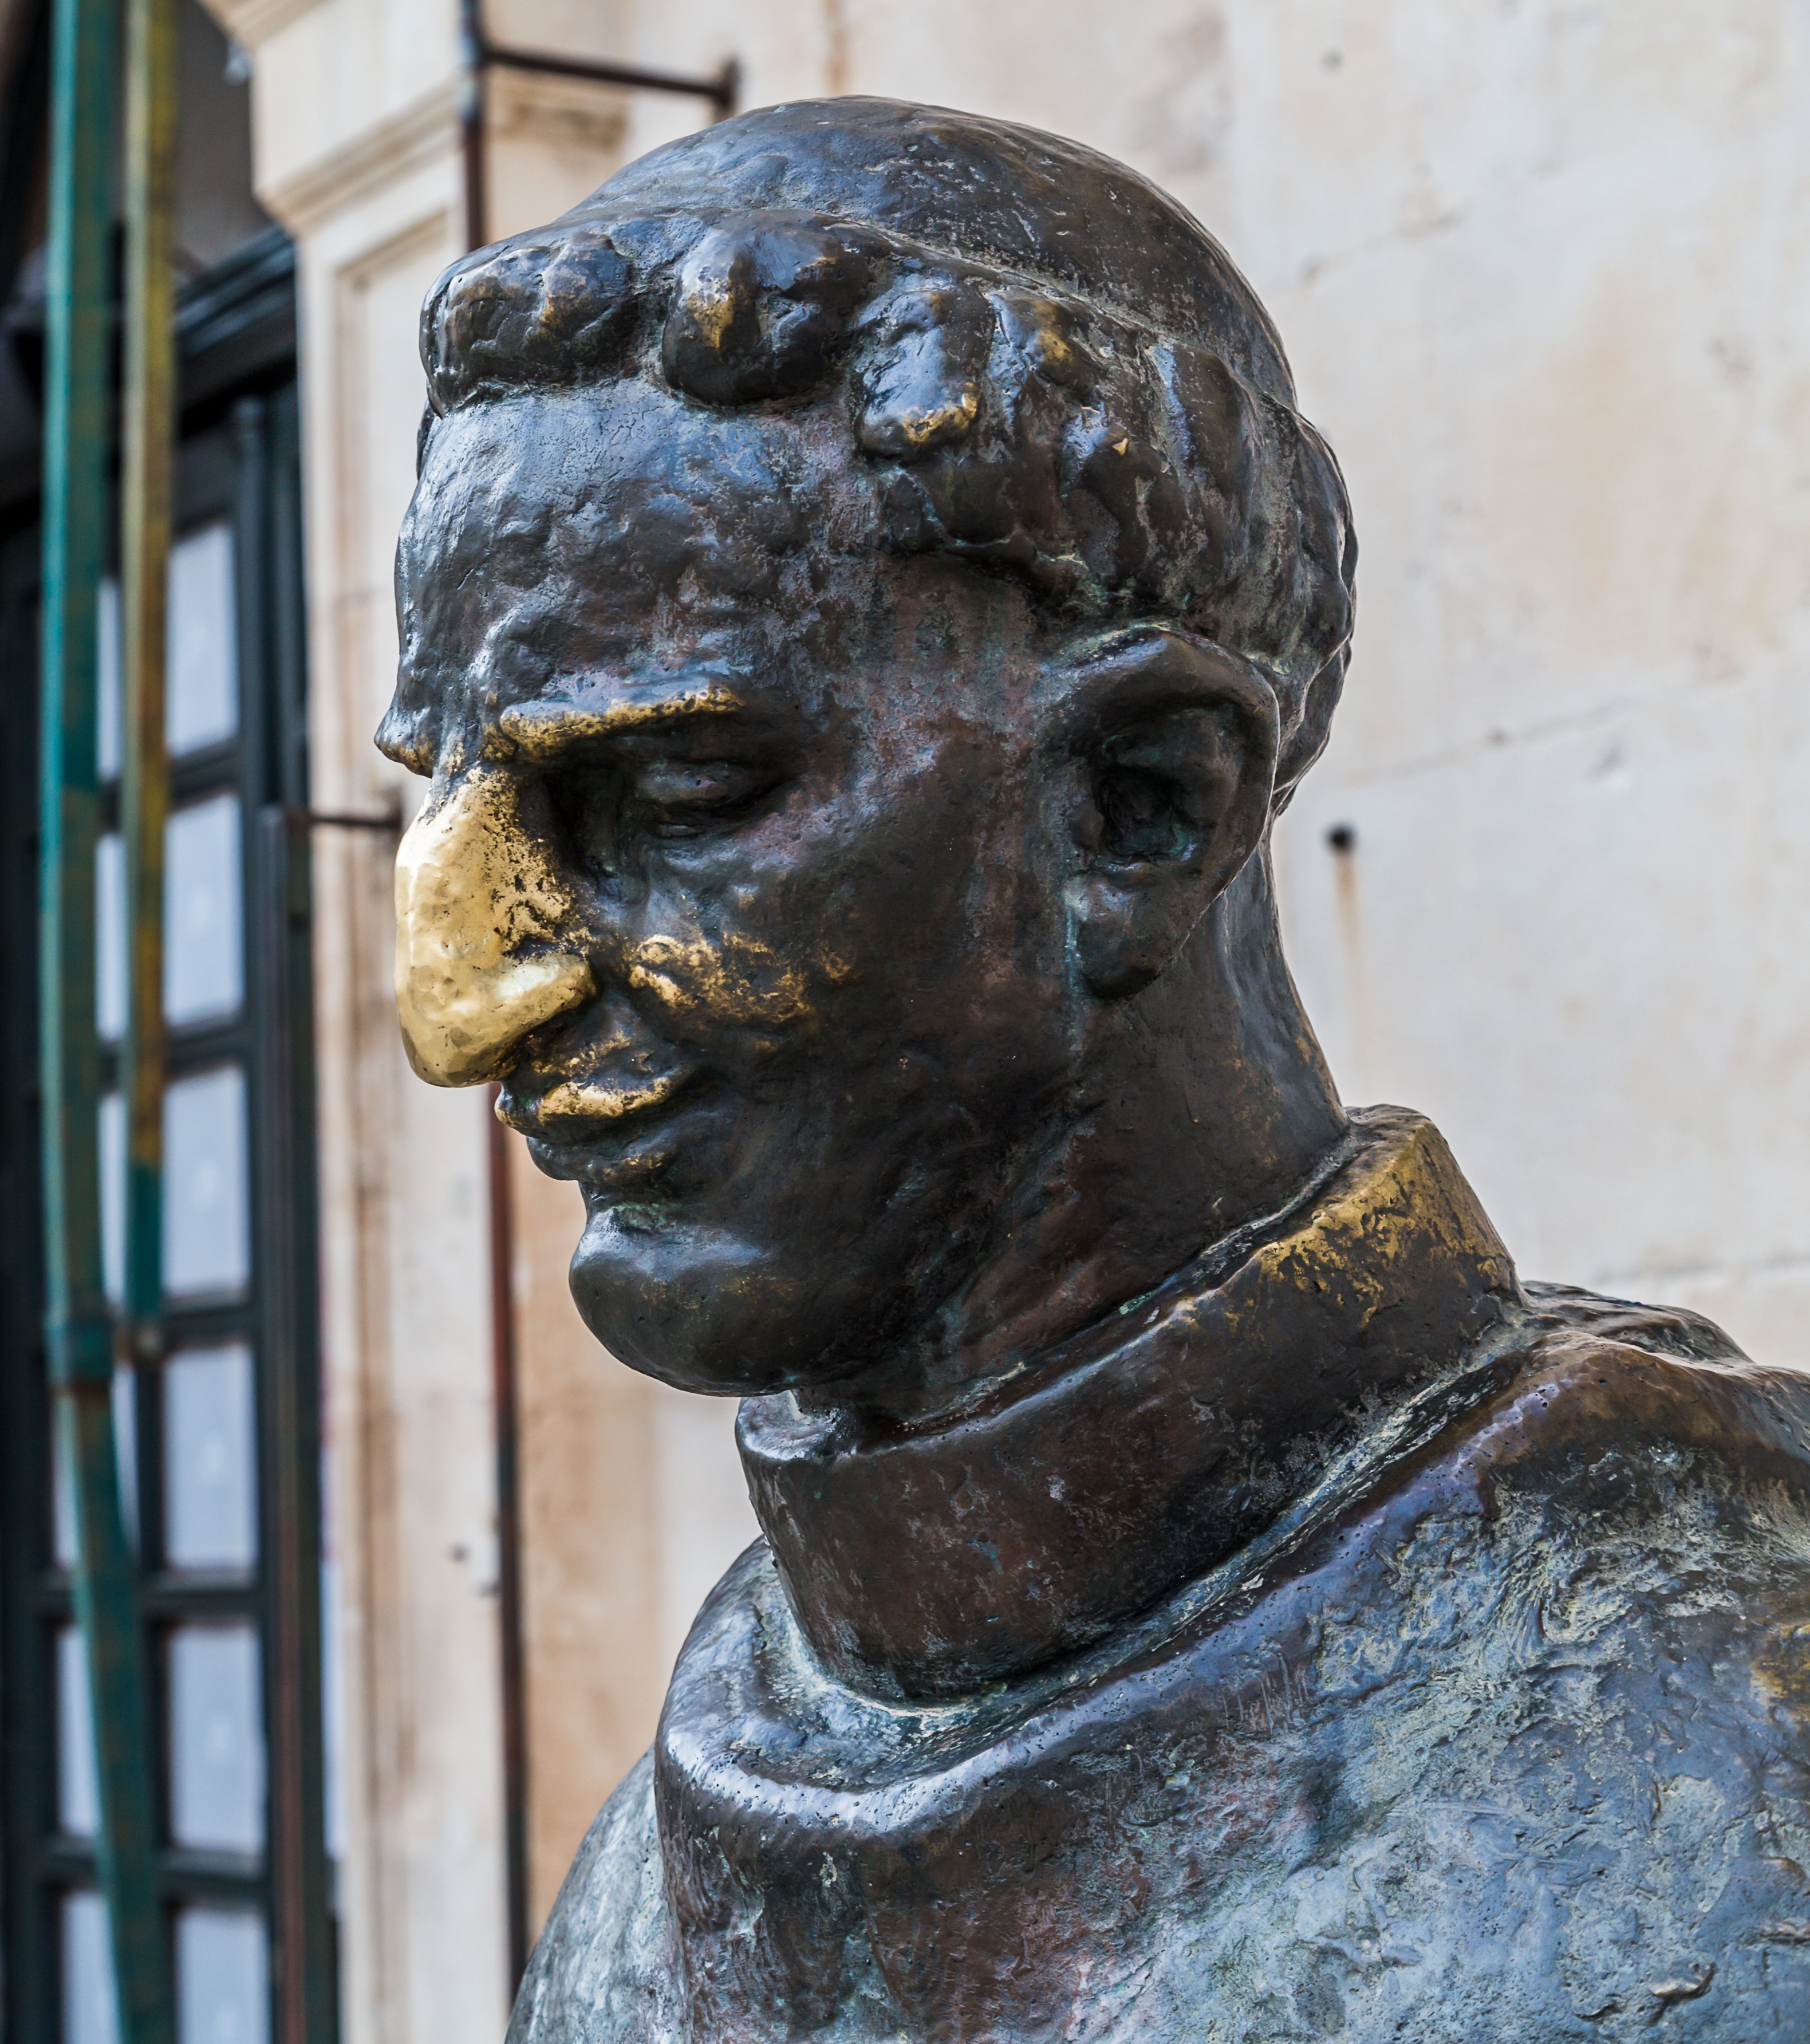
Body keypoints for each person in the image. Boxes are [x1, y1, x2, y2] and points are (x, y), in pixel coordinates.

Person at [384, 97, 1810, 2041]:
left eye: (678, 793)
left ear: (1141, 806)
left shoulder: (1721, 1761)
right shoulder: (671, 1835)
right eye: (447, 805)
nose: (460, 1003)